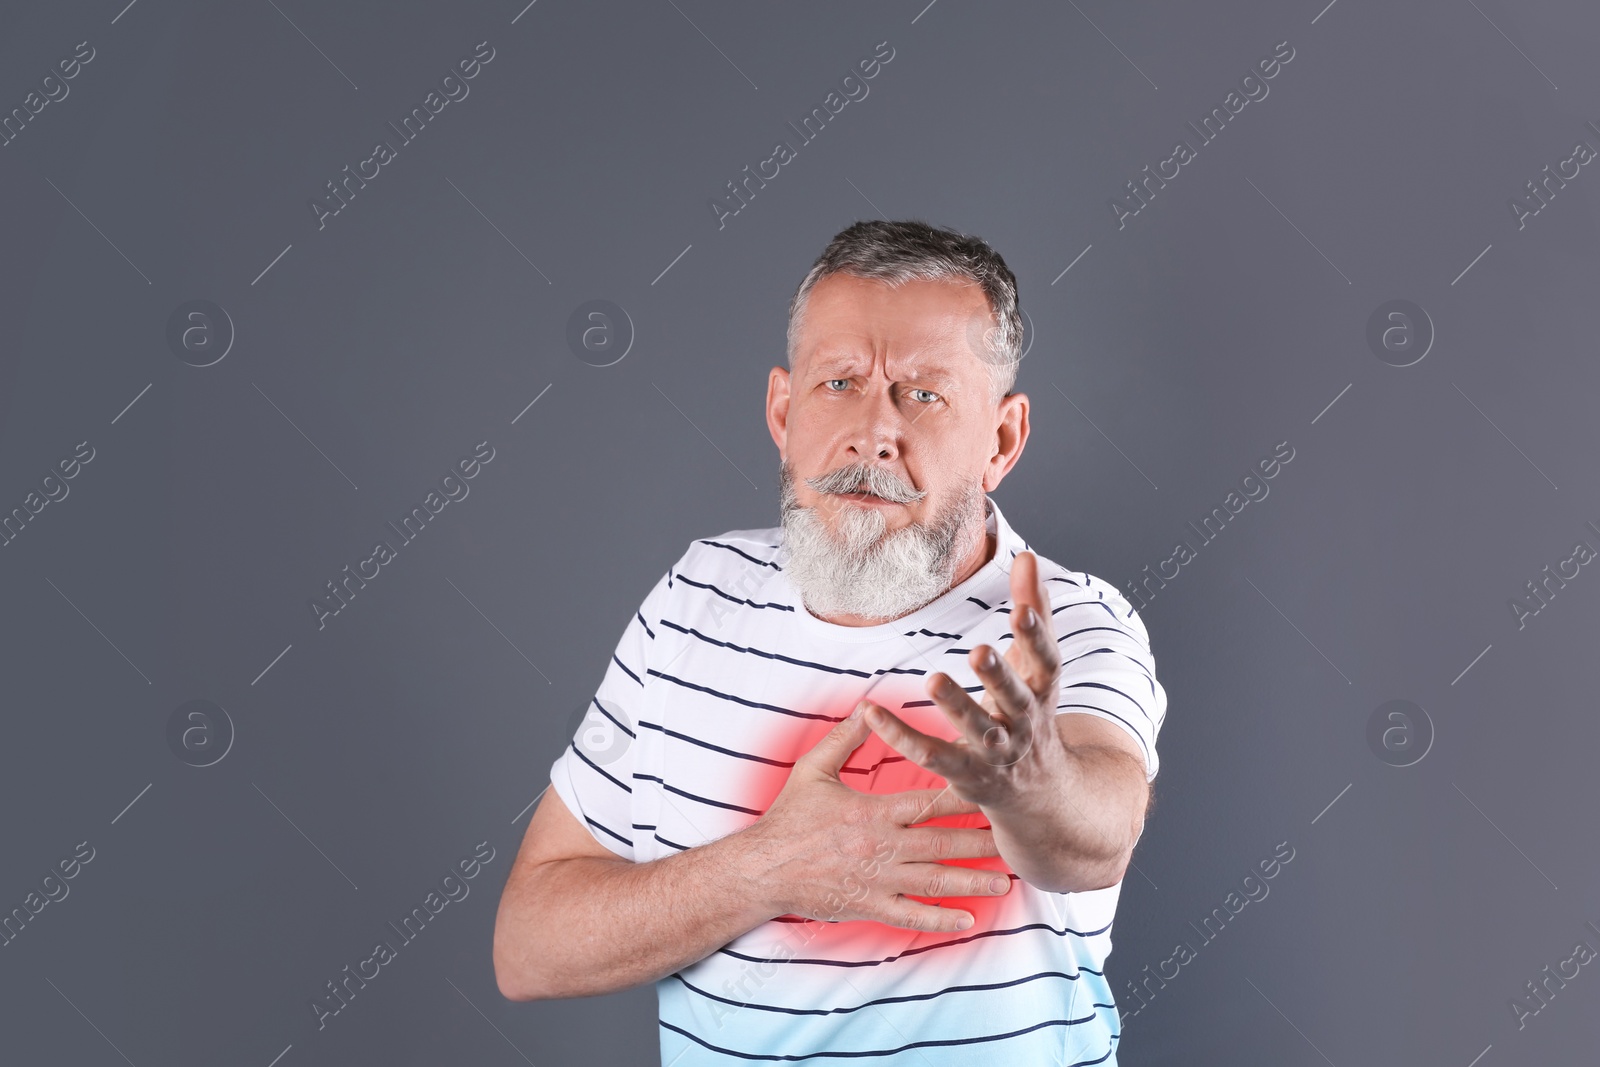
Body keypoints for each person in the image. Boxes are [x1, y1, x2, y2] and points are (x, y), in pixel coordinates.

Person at [493, 219, 1167, 1065]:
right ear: (782, 409)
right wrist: (766, 869)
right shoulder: (697, 595)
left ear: (1002, 440)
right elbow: (529, 947)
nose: (873, 432)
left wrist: (1035, 781)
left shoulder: (1061, 625)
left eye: (923, 394)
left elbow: (1098, 834)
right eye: (840, 382)